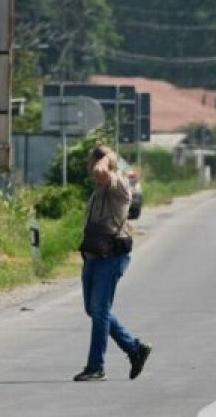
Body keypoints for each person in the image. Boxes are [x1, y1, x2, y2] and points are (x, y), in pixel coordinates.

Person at [74, 145, 151, 382]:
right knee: (95, 310)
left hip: (111, 257)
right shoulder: (100, 189)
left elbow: (100, 170)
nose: (89, 165)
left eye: (91, 160)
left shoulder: (117, 183)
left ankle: (96, 366)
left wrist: (106, 156)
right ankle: (134, 348)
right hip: (94, 257)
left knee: (99, 311)